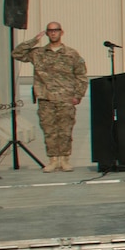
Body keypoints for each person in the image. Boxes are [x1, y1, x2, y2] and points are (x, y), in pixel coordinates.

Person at [11, 21, 89, 172]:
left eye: (56, 30)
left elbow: (81, 76)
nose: (53, 33)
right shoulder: (38, 53)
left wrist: (78, 95)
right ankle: (53, 160)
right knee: (49, 130)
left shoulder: (71, 54)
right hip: (46, 98)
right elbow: (16, 53)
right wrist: (34, 40)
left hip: (65, 98)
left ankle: (64, 159)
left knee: (65, 130)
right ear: (46, 33)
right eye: (50, 31)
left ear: (61, 32)